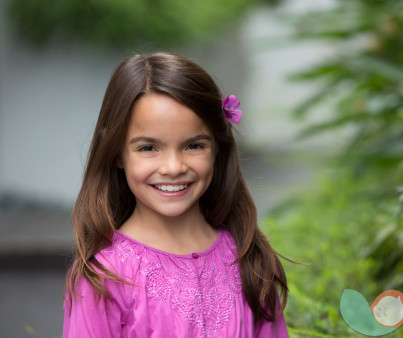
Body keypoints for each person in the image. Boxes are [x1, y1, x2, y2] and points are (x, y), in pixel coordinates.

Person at [62, 52, 291, 337]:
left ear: (217, 148)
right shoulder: (103, 278)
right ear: (117, 152)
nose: (173, 167)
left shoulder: (251, 260)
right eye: (148, 148)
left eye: (194, 145)